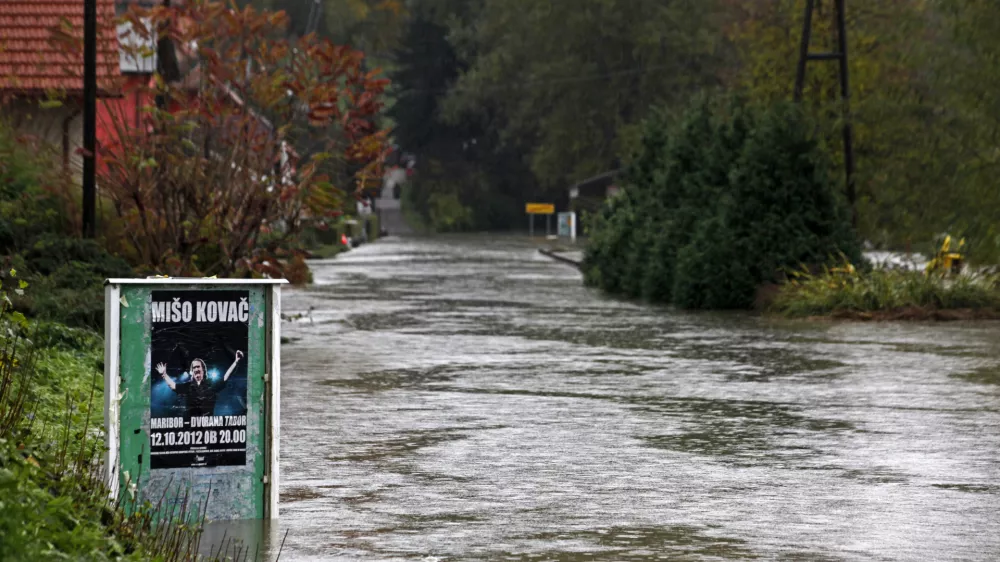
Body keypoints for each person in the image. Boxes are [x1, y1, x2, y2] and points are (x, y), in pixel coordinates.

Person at [157, 350, 244, 417]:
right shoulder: (188, 386)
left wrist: (236, 362)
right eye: (194, 367)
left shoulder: (211, 384)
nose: (196, 369)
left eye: (198, 367)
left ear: (203, 369)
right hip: (192, 429)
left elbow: (226, 376)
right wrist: (164, 375)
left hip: (208, 429)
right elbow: (173, 386)